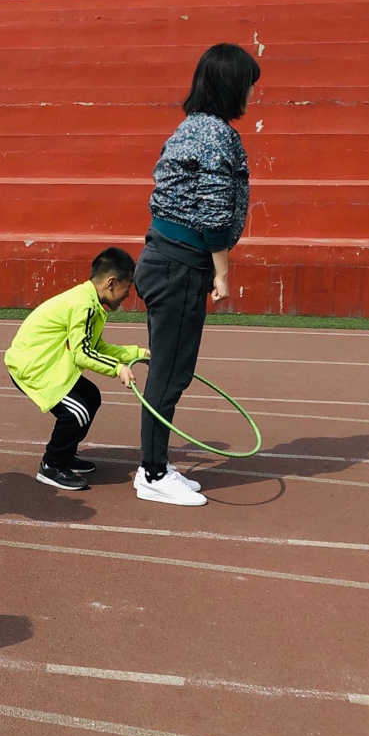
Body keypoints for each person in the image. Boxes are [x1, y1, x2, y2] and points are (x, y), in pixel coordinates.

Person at [134, 42, 259, 507]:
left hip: (167, 260)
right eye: (248, 85)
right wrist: (222, 274)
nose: (251, 94)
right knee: (169, 375)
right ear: (230, 85)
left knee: (169, 370)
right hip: (179, 265)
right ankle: (152, 473)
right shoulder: (216, 135)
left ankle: (156, 464)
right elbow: (213, 211)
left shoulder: (191, 127)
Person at [4, 249, 148, 491]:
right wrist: (118, 369)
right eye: (128, 287)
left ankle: (66, 455)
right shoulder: (84, 305)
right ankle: (51, 466)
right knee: (76, 412)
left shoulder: (89, 301)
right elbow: (82, 354)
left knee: (91, 396)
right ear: (111, 283)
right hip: (34, 367)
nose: (128, 294)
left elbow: (95, 347)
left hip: (48, 363)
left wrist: (139, 353)